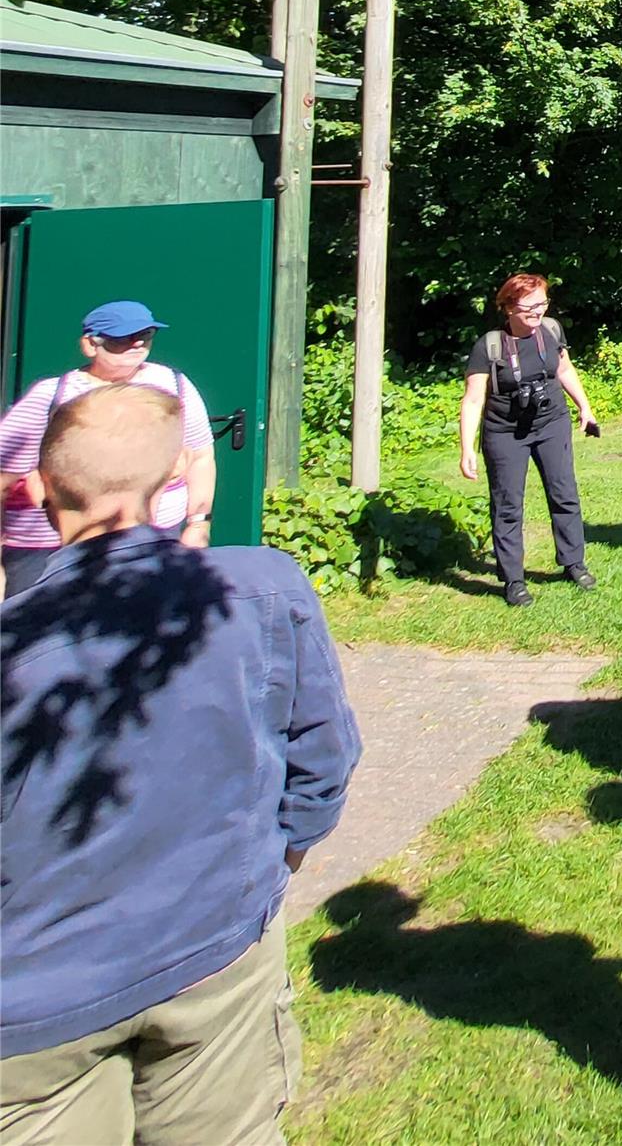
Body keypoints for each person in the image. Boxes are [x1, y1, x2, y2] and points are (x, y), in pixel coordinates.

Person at [1, 384, 361, 1144]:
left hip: (34, 1000)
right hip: (216, 951)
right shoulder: (262, 588)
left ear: (37, 486)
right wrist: (278, 859)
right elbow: (323, 755)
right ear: (173, 482)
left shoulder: (12, 648)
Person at [0, 300, 215, 598]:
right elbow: (4, 477)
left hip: (149, 538)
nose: (137, 343)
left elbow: (201, 456)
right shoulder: (51, 396)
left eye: (146, 334)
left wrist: (198, 524)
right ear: (91, 345)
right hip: (47, 547)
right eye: (123, 337)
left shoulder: (175, 386)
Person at [458, 272, 600, 607]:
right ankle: (513, 580)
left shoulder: (551, 331)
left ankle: (573, 562)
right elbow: (473, 399)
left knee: (564, 491)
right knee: (508, 505)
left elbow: (564, 370)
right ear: (507, 307)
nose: (538, 312)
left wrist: (585, 407)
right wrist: (467, 448)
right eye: (529, 307)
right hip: (505, 432)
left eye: (543, 304)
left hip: (552, 422)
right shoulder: (489, 346)